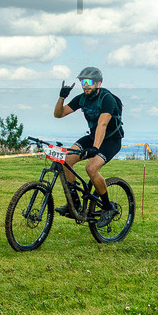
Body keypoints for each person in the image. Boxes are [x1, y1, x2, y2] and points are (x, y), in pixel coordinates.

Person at [53, 66, 124, 227]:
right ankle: (74, 205)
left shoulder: (107, 98)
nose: (85, 85)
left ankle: (108, 208)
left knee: (91, 168)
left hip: (111, 140)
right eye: (82, 81)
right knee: (66, 160)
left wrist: (96, 148)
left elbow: (102, 124)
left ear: (99, 83)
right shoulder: (82, 98)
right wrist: (61, 97)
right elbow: (59, 114)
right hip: (93, 137)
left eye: (90, 82)